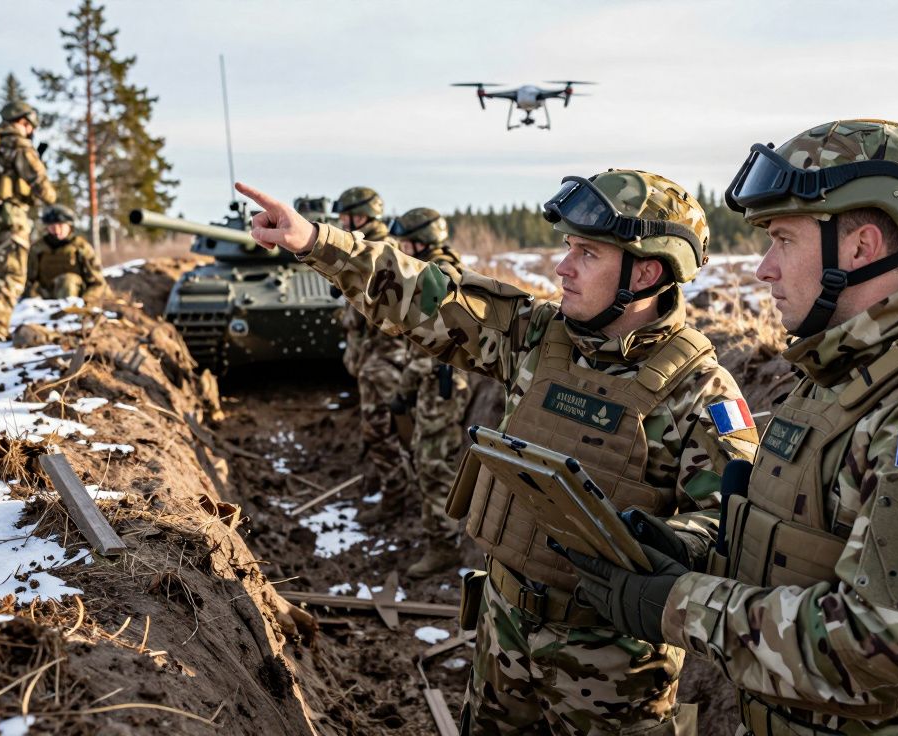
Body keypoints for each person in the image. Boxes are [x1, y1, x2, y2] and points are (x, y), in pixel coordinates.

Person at [561, 120, 898, 736]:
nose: (763, 270)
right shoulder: (839, 378)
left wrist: (676, 605)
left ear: (860, 247)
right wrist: (692, 552)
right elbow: (809, 552)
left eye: (783, 241)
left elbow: (882, 645)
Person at [235, 169, 759, 734]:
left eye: (587, 254)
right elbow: (428, 297)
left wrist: (662, 544)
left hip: (613, 667)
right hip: (502, 628)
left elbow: (733, 524)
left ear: (647, 271)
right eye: (567, 249)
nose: (563, 267)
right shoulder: (535, 336)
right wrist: (316, 242)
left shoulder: (701, 390)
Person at [387, 208, 473, 578]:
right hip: (435, 382)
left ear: (423, 241)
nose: (402, 248)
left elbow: (432, 346)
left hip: (441, 385)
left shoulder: (437, 277)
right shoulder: (436, 271)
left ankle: (444, 548)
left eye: (406, 242)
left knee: (434, 465)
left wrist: (404, 389)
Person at [331, 186, 411, 524]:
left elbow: (373, 310)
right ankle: (388, 485)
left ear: (360, 216)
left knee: (380, 431)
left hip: (385, 359)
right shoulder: (368, 246)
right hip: (376, 357)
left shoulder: (375, 251)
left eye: (344, 217)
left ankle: (396, 498)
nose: (340, 222)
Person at [0, 101, 57, 342]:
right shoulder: (18, 144)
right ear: (24, 122)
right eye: (30, 125)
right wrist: (49, 196)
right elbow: (43, 187)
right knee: (11, 275)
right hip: (7, 216)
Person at [24, 204, 106, 301]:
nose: (57, 230)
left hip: (75, 299)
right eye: (52, 226)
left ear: (69, 226)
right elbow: (28, 280)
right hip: (44, 298)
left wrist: (87, 301)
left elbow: (98, 283)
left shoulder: (81, 247)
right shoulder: (37, 249)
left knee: (68, 281)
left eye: (61, 225)